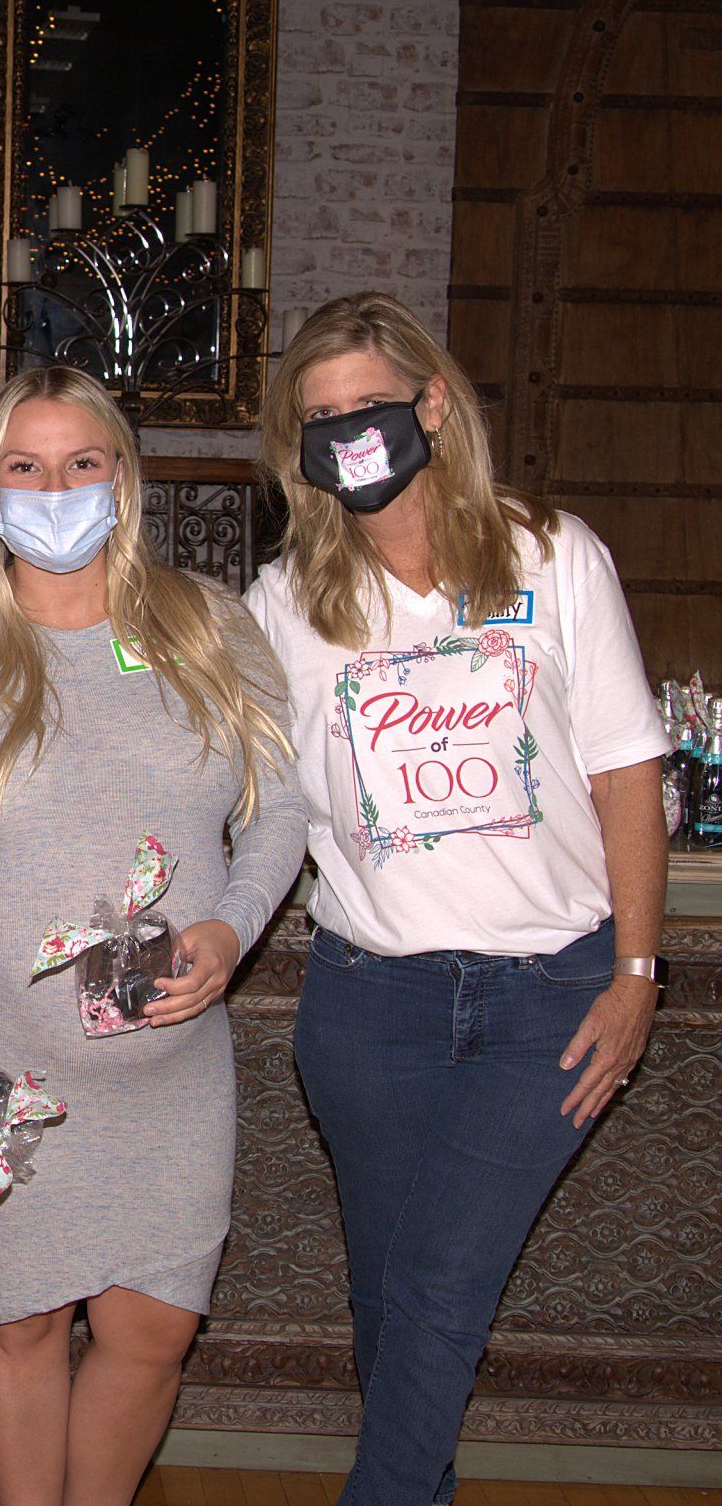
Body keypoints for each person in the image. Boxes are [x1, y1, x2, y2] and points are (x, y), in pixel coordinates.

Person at [245, 292, 669, 1506]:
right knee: (390, 1303)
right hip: (369, 1007)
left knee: (437, 1282)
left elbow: (627, 773)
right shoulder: (287, 605)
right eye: (319, 416)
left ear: (432, 403)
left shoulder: (551, 554)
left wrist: (639, 975)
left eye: (370, 405)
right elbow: (260, 801)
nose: (348, 432)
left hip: (551, 998)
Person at [0, 367, 306, 1506]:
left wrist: (232, 927)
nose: (56, 488)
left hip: (174, 1073)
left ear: (123, 480)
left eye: (83, 464)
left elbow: (280, 809)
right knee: (17, 1326)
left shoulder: (210, 624)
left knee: (152, 1335)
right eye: (24, 467)